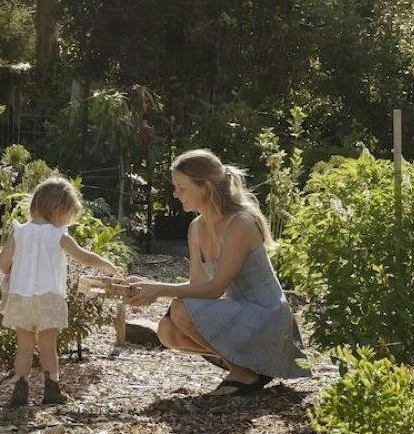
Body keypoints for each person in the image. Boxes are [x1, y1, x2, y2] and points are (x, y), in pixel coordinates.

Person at [120, 149, 308, 396]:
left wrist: (158, 289)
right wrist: (146, 284)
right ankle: (244, 368)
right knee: (168, 332)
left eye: (182, 187)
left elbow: (215, 288)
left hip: (267, 317)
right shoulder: (196, 227)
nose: (176, 194)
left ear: (206, 186)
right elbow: (199, 288)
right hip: (240, 314)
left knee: (180, 309)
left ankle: (244, 373)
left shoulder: (240, 223)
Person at [0, 175, 125, 407]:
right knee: (48, 345)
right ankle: (51, 389)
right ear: (57, 210)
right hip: (49, 297)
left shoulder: (19, 232)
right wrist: (107, 265)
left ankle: (20, 389)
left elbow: (3, 263)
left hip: (21, 297)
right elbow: (83, 256)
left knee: (24, 346)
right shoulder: (58, 235)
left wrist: (17, 269)